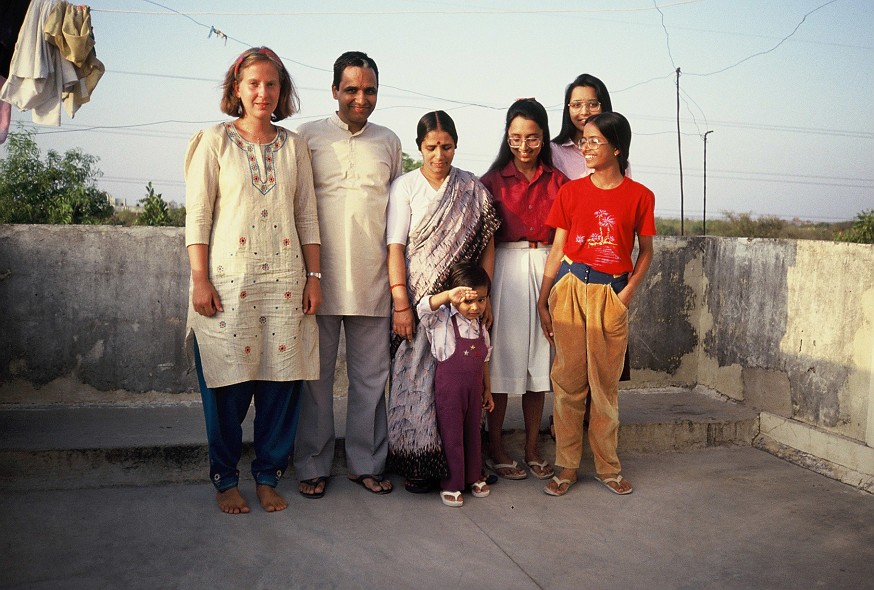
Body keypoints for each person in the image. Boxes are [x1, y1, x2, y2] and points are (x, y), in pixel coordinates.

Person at [184, 47, 321, 514]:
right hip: (227, 284)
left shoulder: (295, 145)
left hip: (285, 282)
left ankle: (267, 476)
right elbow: (198, 216)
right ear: (236, 89)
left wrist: (314, 276)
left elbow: (306, 215)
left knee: (281, 386)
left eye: (273, 85)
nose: (264, 93)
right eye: (254, 84)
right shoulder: (214, 140)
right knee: (226, 386)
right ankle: (225, 479)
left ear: (283, 92)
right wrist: (199, 279)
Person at [293, 51, 402, 498]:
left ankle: (367, 462)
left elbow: (397, 214)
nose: (361, 98)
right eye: (352, 89)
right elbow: (296, 206)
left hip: (374, 281)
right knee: (314, 381)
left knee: (372, 380)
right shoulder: (306, 137)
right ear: (334, 90)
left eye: (369, 89)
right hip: (317, 281)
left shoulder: (389, 142)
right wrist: (306, 275)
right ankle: (312, 465)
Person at [537, 112, 655, 497]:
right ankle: (567, 467)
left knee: (604, 388)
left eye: (593, 142)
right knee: (568, 384)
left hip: (610, 295)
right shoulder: (570, 193)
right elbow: (557, 247)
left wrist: (627, 292)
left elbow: (646, 251)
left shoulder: (640, 196)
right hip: (570, 289)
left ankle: (608, 467)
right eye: (583, 141)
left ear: (617, 148)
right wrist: (545, 296)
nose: (584, 148)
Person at [386, 110, 500, 493]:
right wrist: (402, 303)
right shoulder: (404, 187)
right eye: (431, 147)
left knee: (458, 385)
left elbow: (487, 244)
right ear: (419, 147)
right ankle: (419, 465)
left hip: (463, 305)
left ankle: (466, 467)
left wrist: (484, 299)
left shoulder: (471, 189)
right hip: (421, 304)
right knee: (414, 381)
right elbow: (396, 248)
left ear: (455, 145)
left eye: (446, 146)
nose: (439, 155)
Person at [479, 98, 568, 481]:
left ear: (544, 136)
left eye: (532, 138)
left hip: (548, 267)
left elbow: (565, 238)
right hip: (504, 269)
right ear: (507, 137)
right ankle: (495, 444)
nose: (524, 146)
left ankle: (532, 447)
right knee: (500, 364)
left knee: (538, 365)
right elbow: (484, 240)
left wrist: (551, 287)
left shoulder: (558, 181)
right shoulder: (492, 181)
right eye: (516, 138)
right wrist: (484, 292)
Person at [417, 262, 496, 507]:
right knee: (452, 435)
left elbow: (484, 358)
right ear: (455, 299)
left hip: (474, 389)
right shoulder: (441, 321)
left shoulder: (480, 326)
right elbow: (422, 307)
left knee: (473, 432)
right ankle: (451, 483)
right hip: (449, 389)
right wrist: (448, 296)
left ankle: (473, 476)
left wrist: (487, 390)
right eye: (468, 301)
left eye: (481, 300)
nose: (475, 307)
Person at [551, 73, 632, 180]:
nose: (584, 112)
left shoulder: (615, 155)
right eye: (576, 105)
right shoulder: (552, 151)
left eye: (593, 104)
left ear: (604, 107)